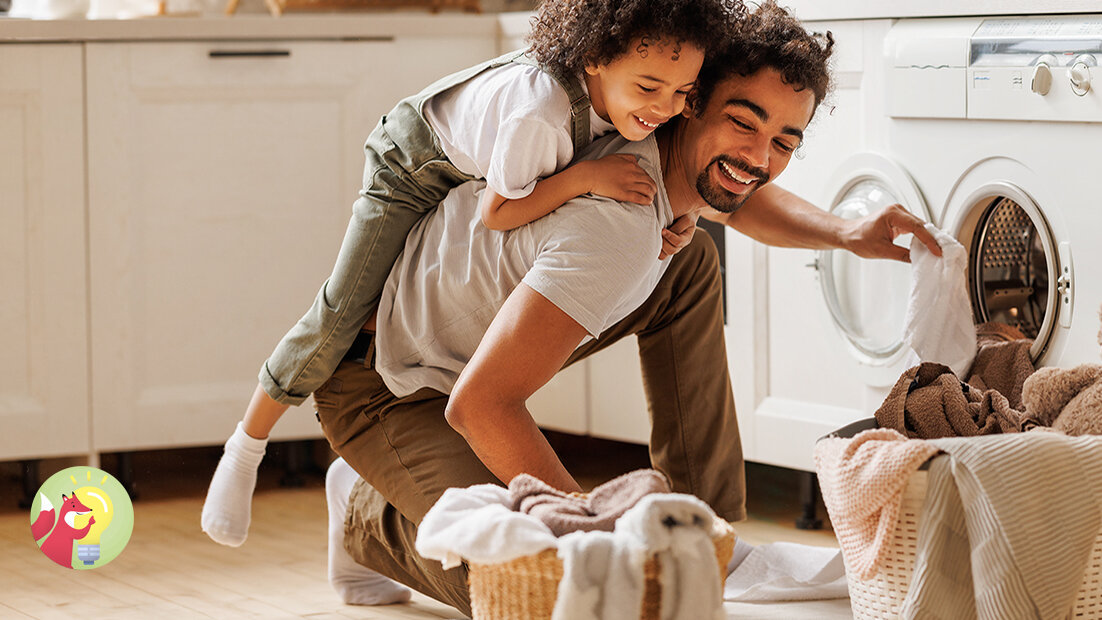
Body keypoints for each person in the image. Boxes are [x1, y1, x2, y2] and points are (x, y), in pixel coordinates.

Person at [317, 1, 943, 615]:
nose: (760, 157)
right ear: (690, 104)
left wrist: (845, 233)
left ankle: (703, 525)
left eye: (784, 140)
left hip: (460, 344)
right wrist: (603, 536)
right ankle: (362, 511)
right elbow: (482, 405)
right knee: (550, 584)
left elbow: (737, 191)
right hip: (381, 383)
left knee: (689, 259)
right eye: (744, 122)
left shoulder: (652, 138)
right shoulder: (616, 227)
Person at [201, 0, 740, 552]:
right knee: (342, 312)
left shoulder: (623, 102)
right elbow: (499, 212)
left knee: (673, 263)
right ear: (596, 57)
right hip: (408, 163)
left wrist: (681, 216)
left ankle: (713, 527)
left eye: (682, 94)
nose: (666, 108)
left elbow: (695, 175)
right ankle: (247, 445)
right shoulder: (542, 117)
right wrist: (585, 177)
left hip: (472, 167)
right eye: (650, 88)